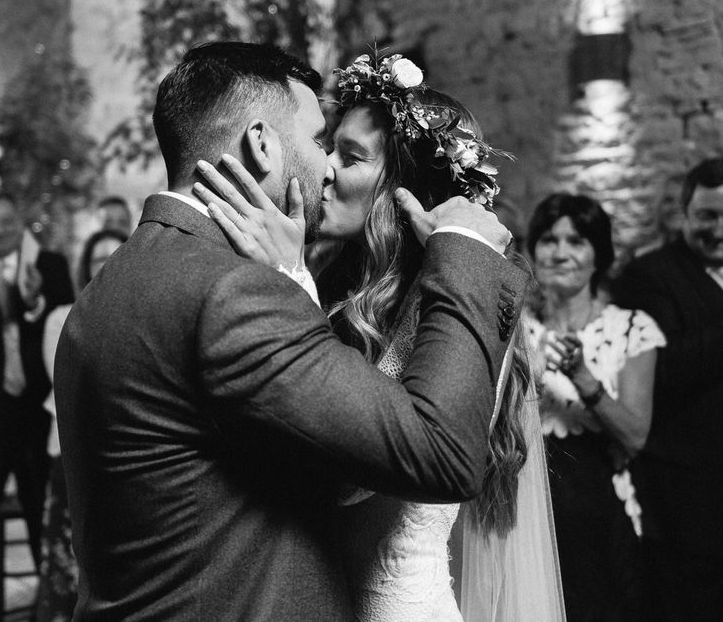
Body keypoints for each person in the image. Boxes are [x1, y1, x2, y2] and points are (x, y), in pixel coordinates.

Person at [54, 41, 529, 620]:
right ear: (261, 143)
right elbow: (425, 454)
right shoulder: (238, 290)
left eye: (346, 155)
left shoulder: (115, 282)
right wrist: (466, 250)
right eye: (317, 141)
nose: (325, 166)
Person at [195, 51, 564, 620]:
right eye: (328, 148)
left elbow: (349, 477)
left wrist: (288, 285)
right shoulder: (340, 287)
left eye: (352, 156)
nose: (326, 169)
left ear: (403, 188)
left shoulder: (441, 310)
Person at [523, 192, 664, 621]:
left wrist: (584, 377)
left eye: (577, 241)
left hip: (601, 511)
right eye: (549, 239)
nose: (560, 252)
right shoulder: (516, 326)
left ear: (598, 255)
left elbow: (636, 436)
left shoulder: (631, 328)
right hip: (527, 508)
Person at [0, 191, 74, 621]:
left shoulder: (51, 266)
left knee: (40, 522)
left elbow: (66, 331)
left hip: (32, 424)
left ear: (18, 223)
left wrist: (34, 301)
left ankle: (47, 610)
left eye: (7, 222)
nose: (0, 230)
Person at [613, 157, 723, 621]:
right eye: (708, 216)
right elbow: (668, 369)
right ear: (685, 214)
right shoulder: (650, 276)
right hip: (690, 498)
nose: (719, 227)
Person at [36, 228, 129, 622]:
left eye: (116, 254)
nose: (106, 263)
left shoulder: (145, 314)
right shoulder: (62, 317)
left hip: (125, 461)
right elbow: (69, 385)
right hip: (73, 457)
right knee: (67, 565)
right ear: (85, 266)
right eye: (97, 257)